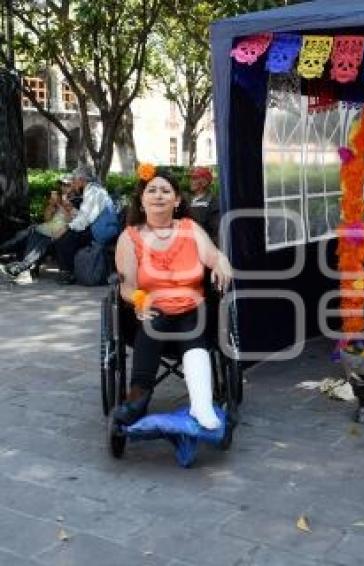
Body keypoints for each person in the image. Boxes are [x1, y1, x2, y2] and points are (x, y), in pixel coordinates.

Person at [112, 166, 233, 429]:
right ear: (142, 200)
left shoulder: (190, 228)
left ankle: (201, 405)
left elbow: (214, 256)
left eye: (165, 191)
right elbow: (127, 287)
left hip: (193, 307)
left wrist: (222, 261)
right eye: (151, 190)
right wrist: (141, 301)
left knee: (194, 322)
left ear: (176, 200)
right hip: (152, 309)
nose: (158, 195)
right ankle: (137, 399)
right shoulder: (129, 237)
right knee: (153, 324)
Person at [0, 177, 75, 279]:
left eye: (67, 185)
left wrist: (62, 205)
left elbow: (70, 220)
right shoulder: (58, 199)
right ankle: (24, 267)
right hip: (43, 230)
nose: (64, 187)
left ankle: (23, 267)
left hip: (55, 234)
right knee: (21, 236)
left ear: (73, 186)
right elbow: (47, 219)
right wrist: (51, 206)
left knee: (28, 238)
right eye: (62, 185)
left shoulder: (75, 201)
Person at [54, 164, 113, 284]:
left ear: (82, 180)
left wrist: (67, 227)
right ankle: (68, 271)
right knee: (66, 234)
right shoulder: (91, 190)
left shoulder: (94, 192)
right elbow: (84, 215)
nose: (73, 183)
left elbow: (85, 219)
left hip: (102, 231)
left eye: (74, 180)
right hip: (98, 227)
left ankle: (68, 273)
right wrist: (72, 212)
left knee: (65, 238)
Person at [187, 167, 220, 242]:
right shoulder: (188, 200)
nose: (191, 181)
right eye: (191, 178)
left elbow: (215, 231)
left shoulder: (213, 202)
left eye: (194, 178)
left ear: (204, 182)